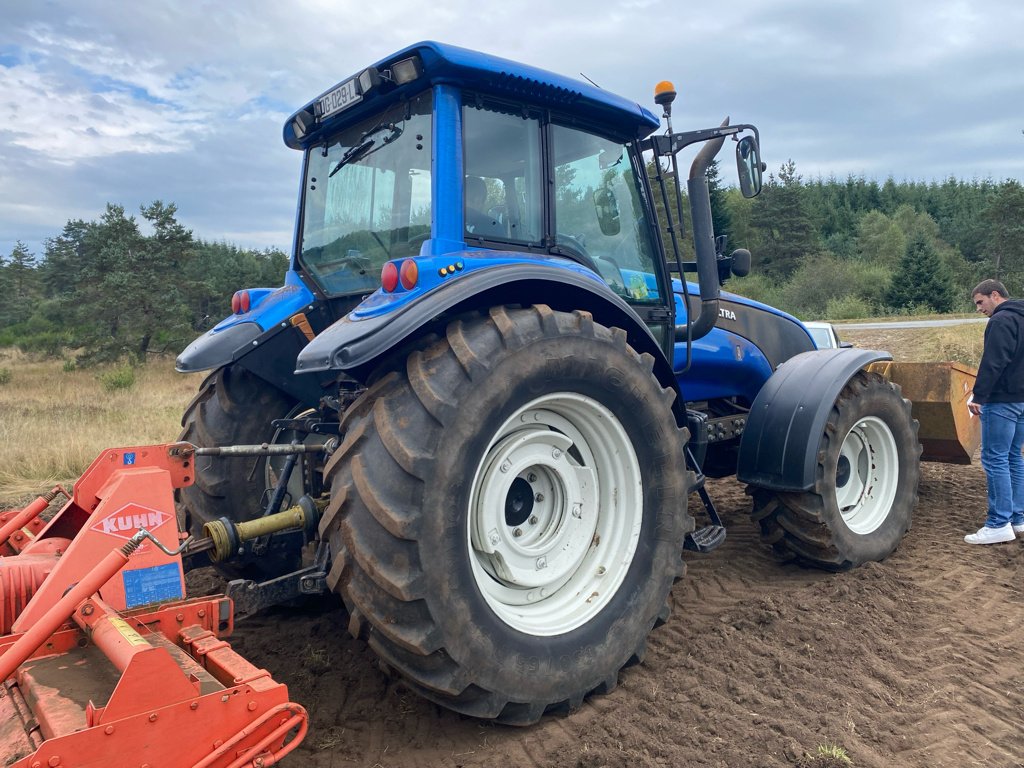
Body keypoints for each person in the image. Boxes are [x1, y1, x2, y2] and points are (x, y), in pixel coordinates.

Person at [964, 279, 1024, 544]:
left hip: (1002, 401)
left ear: (995, 295)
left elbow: (994, 361)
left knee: (994, 458)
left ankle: (998, 523)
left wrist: (980, 395)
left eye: (980, 302)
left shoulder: (1001, 322)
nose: (979, 308)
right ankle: (1018, 519)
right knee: (1014, 457)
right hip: (1022, 400)